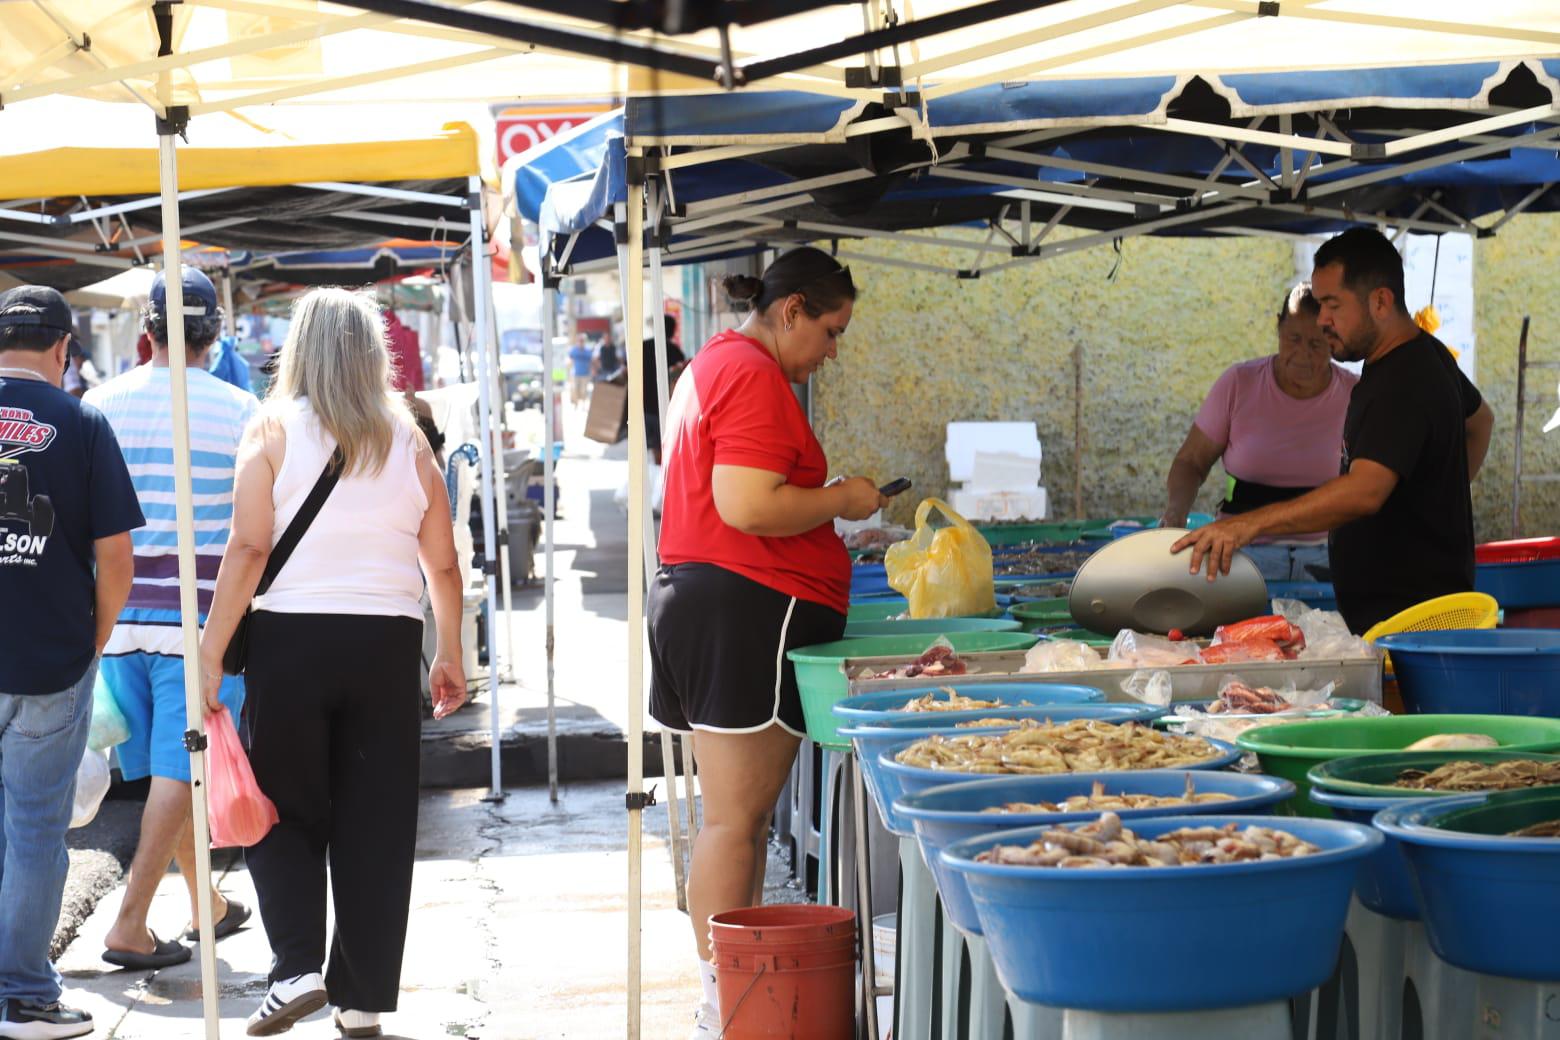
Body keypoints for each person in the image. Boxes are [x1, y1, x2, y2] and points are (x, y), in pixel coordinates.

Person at [196, 287, 468, 1039]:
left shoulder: (273, 427)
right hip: (385, 647)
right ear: (373, 351)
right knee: (377, 821)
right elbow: (442, 564)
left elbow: (249, 548)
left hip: (291, 644)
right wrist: (448, 651)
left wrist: (211, 650)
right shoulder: (409, 438)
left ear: (300, 349)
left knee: (280, 808)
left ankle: (295, 971)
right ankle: (362, 996)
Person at [646, 248, 886, 1039]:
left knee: (735, 822)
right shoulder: (749, 372)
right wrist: (842, 500)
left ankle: (731, 994)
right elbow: (748, 504)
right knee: (732, 821)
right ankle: (724, 1003)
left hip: (717, 605)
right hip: (744, 609)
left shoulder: (712, 364)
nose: (832, 350)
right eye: (830, 329)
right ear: (791, 312)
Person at [1174, 227, 1496, 634]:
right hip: (1395, 616)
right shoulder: (1420, 355)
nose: (1322, 319)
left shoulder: (1404, 379)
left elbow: (1364, 491)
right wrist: (1436, 494)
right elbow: (1480, 421)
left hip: (1413, 623)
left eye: (1332, 305)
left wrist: (1247, 524)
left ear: (1380, 301)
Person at [85, 267, 258, 971]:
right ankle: (129, 924)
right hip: (201, 629)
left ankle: (205, 908)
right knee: (180, 775)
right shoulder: (242, 410)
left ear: (147, 333)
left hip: (118, 626)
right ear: (214, 334)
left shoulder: (98, 406)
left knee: (172, 776)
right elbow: (254, 533)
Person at [0, 285, 142, 1040]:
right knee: (32, 830)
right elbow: (117, 557)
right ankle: (22, 994)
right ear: (63, 350)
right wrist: (95, 634)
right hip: (52, 657)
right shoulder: (83, 422)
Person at [1160, 283, 1357, 582]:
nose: (1303, 354)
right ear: (1278, 329)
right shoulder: (1239, 384)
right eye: (1294, 339)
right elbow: (1191, 462)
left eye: (1317, 344)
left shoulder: (1356, 395)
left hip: (1329, 555)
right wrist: (1176, 513)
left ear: (1334, 341)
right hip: (1242, 553)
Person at [643, 315, 688, 465]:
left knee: (652, 445)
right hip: (666, 405)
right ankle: (661, 472)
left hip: (644, 405)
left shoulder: (642, 346)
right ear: (672, 331)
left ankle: (658, 471)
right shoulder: (675, 352)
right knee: (663, 443)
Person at [567, 335, 594, 406]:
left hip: (585, 374)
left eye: (582, 341)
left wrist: (592, 370)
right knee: (575, 389)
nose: (581, 343)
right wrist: (569, 370)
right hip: (576, 374)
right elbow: (570, 360)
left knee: (584, 390)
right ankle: (576, 403)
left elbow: (591, 362)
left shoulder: (587, 351)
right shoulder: (574, 350)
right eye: (579, 341)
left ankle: (583, 403)